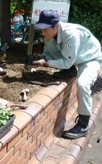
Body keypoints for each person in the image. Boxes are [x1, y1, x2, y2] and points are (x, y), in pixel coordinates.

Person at [32, 10, 102, 139]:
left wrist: (46, 63)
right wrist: (40, 58)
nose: (42, 32)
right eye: (41, 29)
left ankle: (83, 124)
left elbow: (66, 62)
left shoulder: (71, 34)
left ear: (56, 26)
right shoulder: (50, 34)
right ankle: (71, 71)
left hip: (90, 58)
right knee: (66, 64)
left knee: (83, 84)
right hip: (75, 57)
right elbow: (49, 53)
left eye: (45, 29)